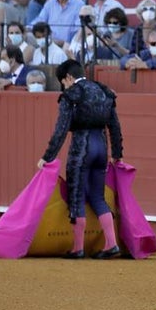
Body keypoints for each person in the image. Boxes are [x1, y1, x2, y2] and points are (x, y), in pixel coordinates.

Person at [37, 59, 124, 259]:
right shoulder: (104, 91)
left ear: (68, 77)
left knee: (76, 196)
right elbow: (115, 126)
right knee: (98, 197)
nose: (64, 87)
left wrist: (47, 157)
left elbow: (61, 129)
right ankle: (111, 244)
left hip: (81, 149)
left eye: (63, 82)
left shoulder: (72, 95)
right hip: (101, 147)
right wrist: (117, 154)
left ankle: (78, 248)